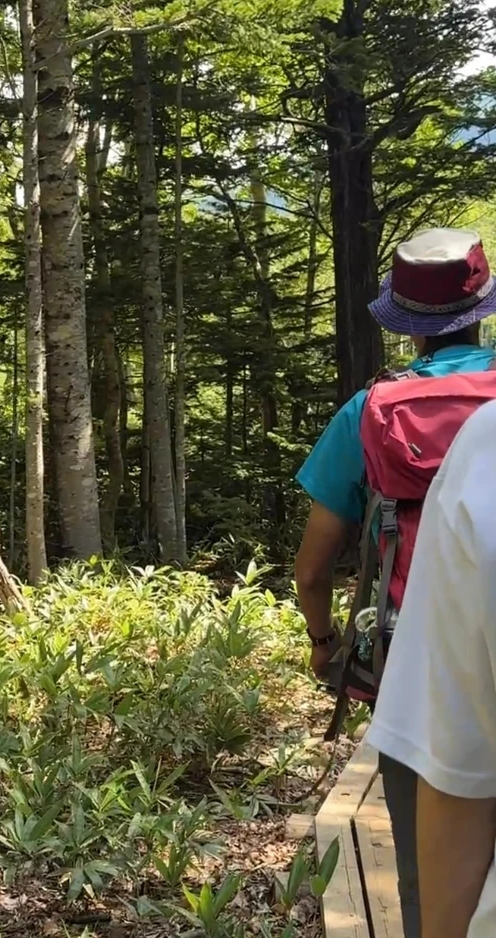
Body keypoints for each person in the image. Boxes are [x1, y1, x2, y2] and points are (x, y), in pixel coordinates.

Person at [294, 227, 496, 938]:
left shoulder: (369, 412)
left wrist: (323, 645)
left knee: (427, 860)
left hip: (415, 656)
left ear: (405, 323)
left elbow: (314, 567)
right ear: (482, 308)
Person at [366, 399, 496, 938]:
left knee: (429, 798)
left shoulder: (371, 409)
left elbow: (321, 546)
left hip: (410, 637)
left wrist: (323, 640)